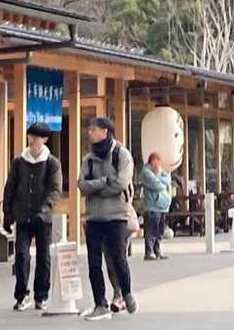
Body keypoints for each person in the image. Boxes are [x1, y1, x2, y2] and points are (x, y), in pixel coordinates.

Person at [77, 116, 136, 321]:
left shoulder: (122, 155)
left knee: (118, 259)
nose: (90, 133)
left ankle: (126, 293)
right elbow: (82, 185)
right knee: (93, 262)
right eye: (89, 129)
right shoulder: (88, 159)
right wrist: (103, 182)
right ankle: (99, 303)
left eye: (94, 129)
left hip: (116, 216)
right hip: (93, 217)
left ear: (105, 131)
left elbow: (121, 182)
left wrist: (97, 188)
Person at [2, 121, 62, 311]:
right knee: (21, 255)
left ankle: (41, 295)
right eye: (30, 136)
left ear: (44, 139)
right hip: (22, 216)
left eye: (36, 137)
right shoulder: (19, 161)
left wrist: (45, 209)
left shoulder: (52, 162)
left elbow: (55, 190)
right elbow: (10, 187)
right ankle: (21, 295)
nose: (32, 140)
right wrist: (7, 212)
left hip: (43, 219)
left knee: (44, 257)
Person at [140, 151, 172, 261]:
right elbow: (157, 186)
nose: (159, 165)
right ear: (152, 161)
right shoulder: (146, 172)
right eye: (157, 162)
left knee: (159, 231)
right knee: (151, 230)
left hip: (163, 205)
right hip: (152, 206)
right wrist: (160, 177)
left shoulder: (159, 171)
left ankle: (157, 251)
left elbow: (168, 180)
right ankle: (149, 252)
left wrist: (159, 176)